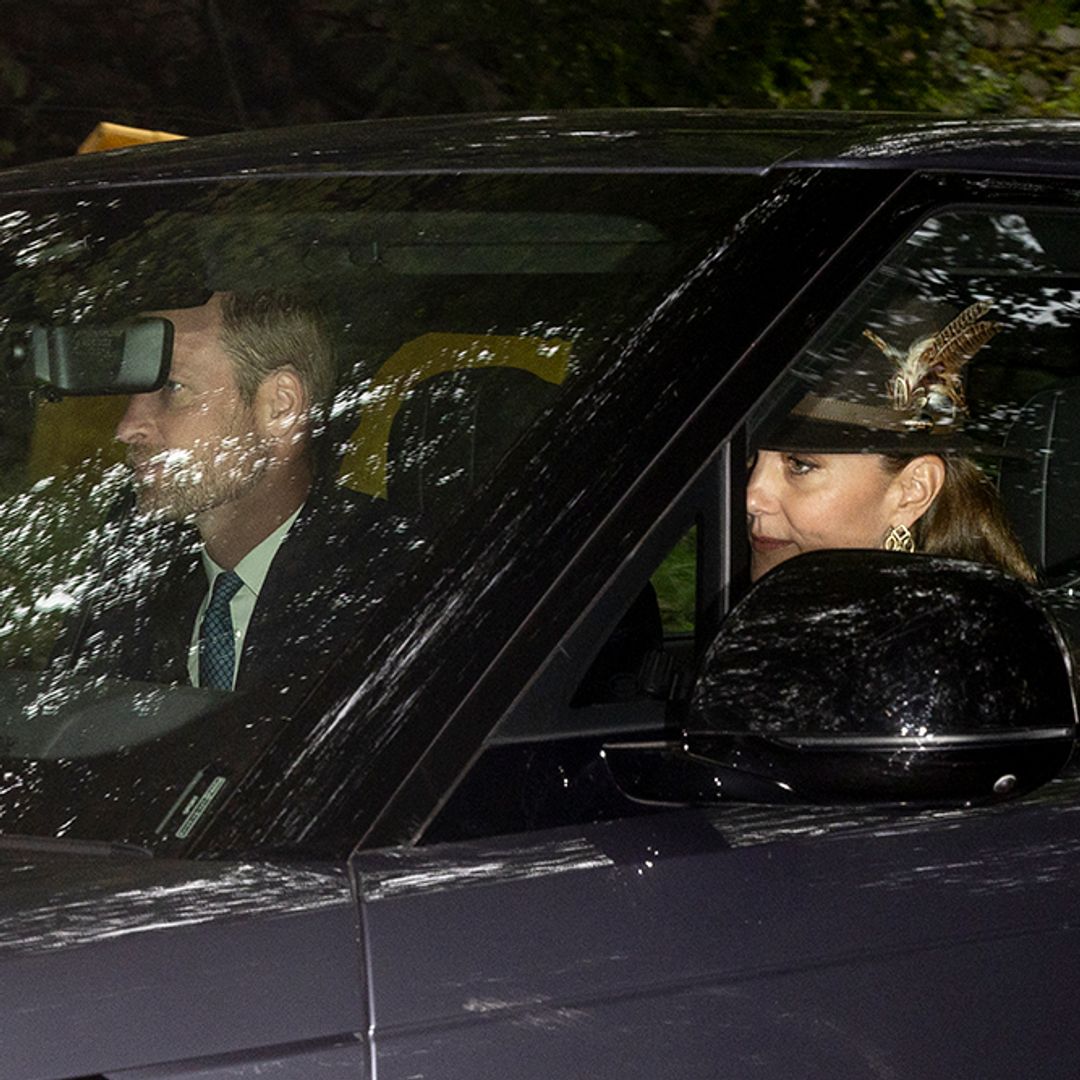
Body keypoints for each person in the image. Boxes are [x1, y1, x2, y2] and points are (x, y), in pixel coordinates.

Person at [61, 288, 411, 703]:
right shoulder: (136, 554)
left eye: (172, 388)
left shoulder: (398, 588)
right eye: (134, 391)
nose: (127, 426)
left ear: (280, 409)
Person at [746, 299, 1037, 584]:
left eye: (799, 465)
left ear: (912, 490)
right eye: (747, 459)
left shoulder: (948, 630)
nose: (751, 497)